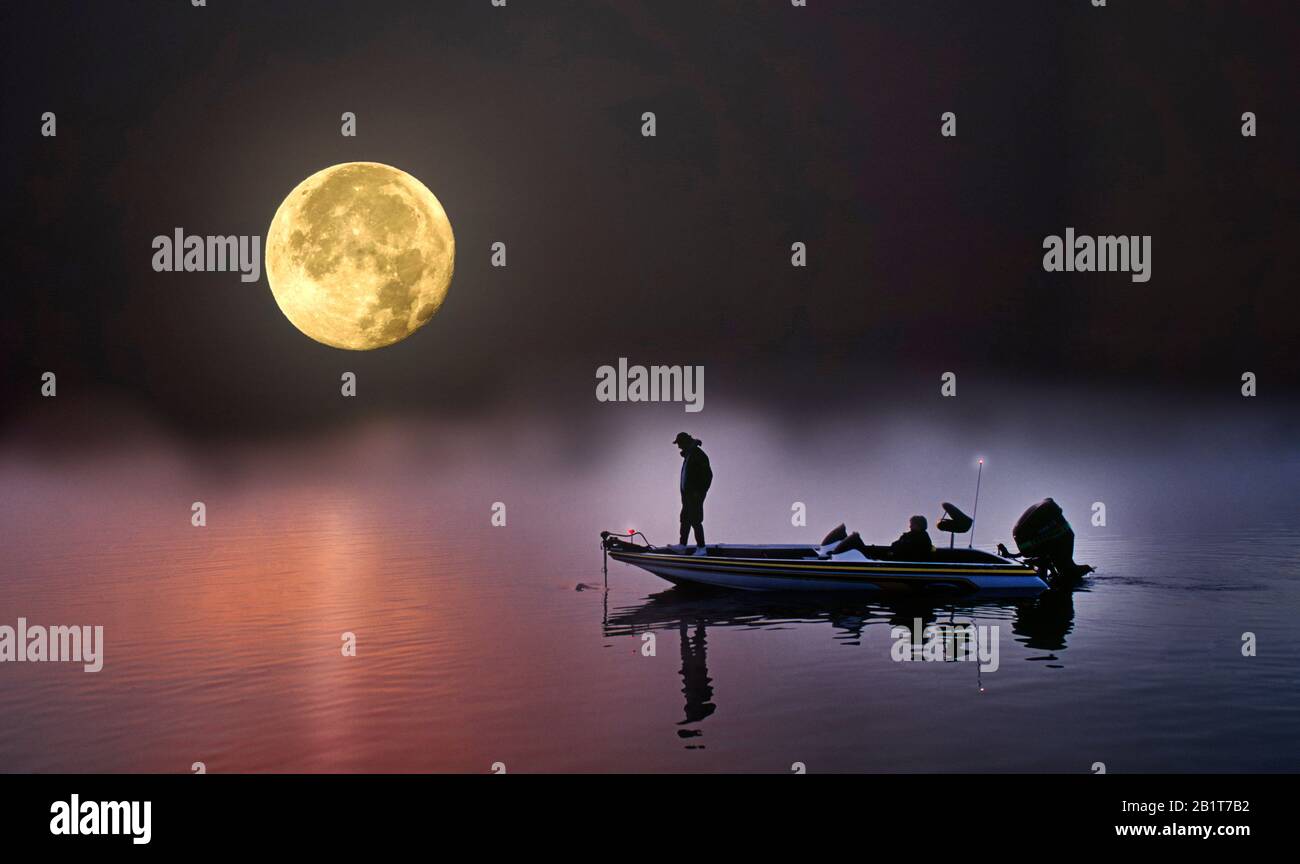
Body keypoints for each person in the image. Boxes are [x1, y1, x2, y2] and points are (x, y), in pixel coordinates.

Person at [674, 432, 712, 547]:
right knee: (685, 519)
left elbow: (708, 475)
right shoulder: (689, 456)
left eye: (679, 443)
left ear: (685, 442)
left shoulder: (697, 454)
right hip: (687, 496)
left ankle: (701, 547)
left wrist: (698, 492)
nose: (679, 446)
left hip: (695, 495)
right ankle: (682, 546)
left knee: (695, 520)